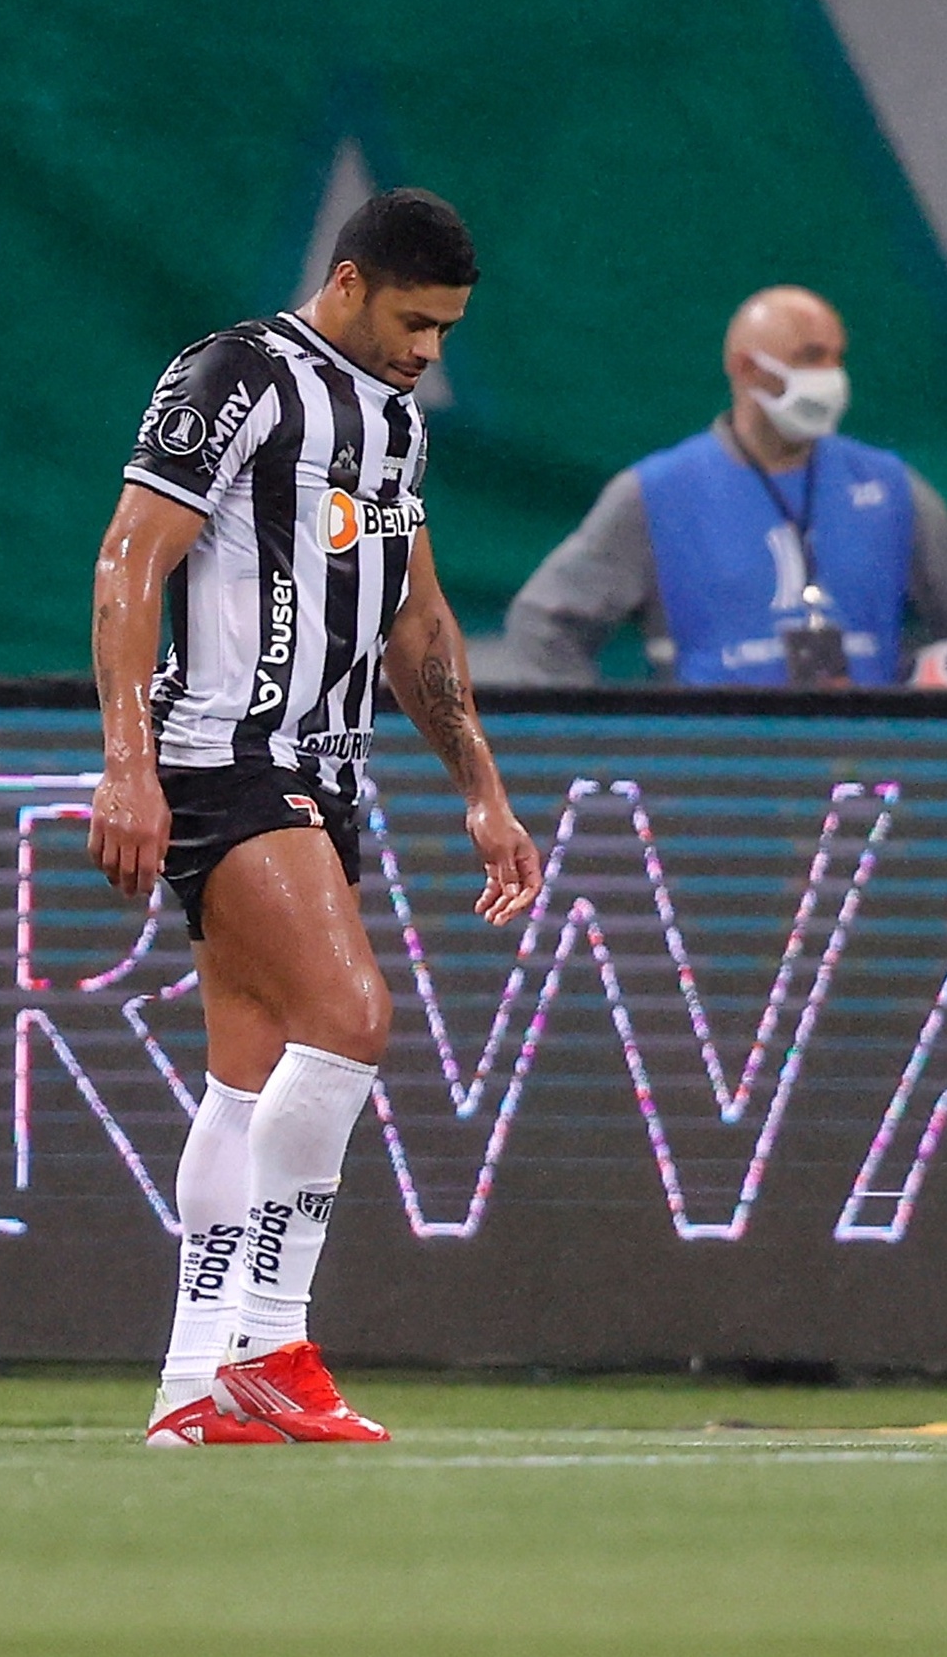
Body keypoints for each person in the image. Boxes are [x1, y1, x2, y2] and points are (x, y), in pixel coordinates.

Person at [88, 188, 541, 1447]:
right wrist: (125, 761)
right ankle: (270, 1341)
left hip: (323, 772)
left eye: (447, 330)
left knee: (243, 1074)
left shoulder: (394, 424)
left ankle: (190, 1386)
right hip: (223, 753)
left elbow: (420, 625)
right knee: (350, 1016)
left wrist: (481, 791)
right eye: (411, 320)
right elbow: (131, 557)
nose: (426, 350)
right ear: (346, 283)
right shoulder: (235, 373)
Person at [499, 285, 947, 686]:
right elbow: (543, 623)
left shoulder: (888, 487)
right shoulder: (660, 494)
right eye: (811, 357)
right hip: (716, 762)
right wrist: (594, 743)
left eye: (838, 357)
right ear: (746, 368)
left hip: (866, 764)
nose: (831, 376)